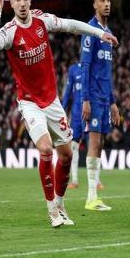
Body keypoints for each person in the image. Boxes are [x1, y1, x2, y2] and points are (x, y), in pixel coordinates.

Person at [0, 0, 118, 227]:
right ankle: (52, 211)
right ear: (11, 3)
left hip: (51, 101)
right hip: (29, 103)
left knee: (66, 155)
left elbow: (70, 25)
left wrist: (99, 33)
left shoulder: (41, 20)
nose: (22, 3)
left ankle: (60, 204)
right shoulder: (10, 30)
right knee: (46, 149)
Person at [81, 0, 120, 211]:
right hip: (93, 97)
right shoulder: (91, 30)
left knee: (101, 144)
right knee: (94, 143)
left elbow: (107, 72)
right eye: (102, 0)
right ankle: (91, 198)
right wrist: (85, 99)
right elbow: (85, 65)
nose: (107, 4)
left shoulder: (109, 33)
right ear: (95, 5)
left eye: (109, 0)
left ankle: (94, 196)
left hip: (105, 98)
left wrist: (113, 102)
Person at [61, 61, 85, 189]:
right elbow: (68, 91)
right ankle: (75, 180)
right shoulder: (73, 69)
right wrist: (62, 109)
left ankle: (96, 181)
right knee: (74, 146)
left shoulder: (94, 67)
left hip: (90, 112)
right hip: (76, 115)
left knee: (94, 144)